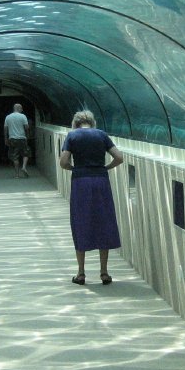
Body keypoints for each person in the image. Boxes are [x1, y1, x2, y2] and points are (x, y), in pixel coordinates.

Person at [59, 110, 123, 285]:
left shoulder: (72, 137)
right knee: (104, 221)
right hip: (101, 180)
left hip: (81, 182)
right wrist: (105, 167)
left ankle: (81, 273)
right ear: (92, 122)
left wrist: (75, 169)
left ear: (76, 123)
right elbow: (119, 157)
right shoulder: (101, 135)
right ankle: (104, 272)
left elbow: (63, 162)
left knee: (81, 221)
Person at [3, 103, 30, 178]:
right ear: (18, 108)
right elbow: (26, 127)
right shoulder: (23, 116)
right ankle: (24, 167)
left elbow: (5, 129)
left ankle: (17, 175)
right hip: (22, 138)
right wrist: (27, 136)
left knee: (15, 156)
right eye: (21, 108)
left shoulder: (8, 117)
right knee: (26, 153)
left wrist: (5, 138)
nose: (22, 110)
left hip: (12, 139)